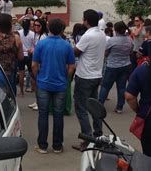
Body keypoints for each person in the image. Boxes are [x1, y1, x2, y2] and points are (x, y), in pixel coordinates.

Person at [33, 18, 75, 154]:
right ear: (62, 29)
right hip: (60, 84)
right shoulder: (67, 45)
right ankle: (57, 146)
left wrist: (37, 76)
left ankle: (42, 146)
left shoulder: (41, 44)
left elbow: (34, 65)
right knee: (58, 115)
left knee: (43, 115)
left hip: (43, 83)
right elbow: (71, 66)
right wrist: (66, 79)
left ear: (48, 27)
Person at [72, 9, 107, 151]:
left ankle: (87, 139)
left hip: (85, 76)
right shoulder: (102, 34)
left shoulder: (88, 35)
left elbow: (76, 51)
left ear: (86, 21)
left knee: (81, 108)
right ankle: (98, 136)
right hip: (96, 75)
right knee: (95, 107)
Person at [98, 21, 133, 113]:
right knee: (121, 87)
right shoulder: (129, 40)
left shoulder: (112, 40)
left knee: (105, 86)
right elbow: (130, 52)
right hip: (125, 65)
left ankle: (99, 105)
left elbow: (105, 53)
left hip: (112, 66)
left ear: (115, 30)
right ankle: (119, 107)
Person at [18, 19, 35, 96]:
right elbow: (34, 45)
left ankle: (21, 92)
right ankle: (33, 89)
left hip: (21, 54)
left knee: (21, 73)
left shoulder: (19, 32)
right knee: (32, 73)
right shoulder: (32, 34)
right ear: (29, 25)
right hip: (29, 54)